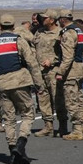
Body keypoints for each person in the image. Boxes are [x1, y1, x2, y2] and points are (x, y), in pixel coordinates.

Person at [0, 14, 43, 164]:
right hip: (20, 81)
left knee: (8, 119)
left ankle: (12, 149)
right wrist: (39, 84)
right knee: (28, 114)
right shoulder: (19, 40)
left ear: (0, 27)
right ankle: (21, 144)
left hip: (1, 84)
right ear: (13, 26)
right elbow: (32, 63)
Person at [56, 10, 83, 141]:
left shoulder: (68, 33)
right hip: (80, 67)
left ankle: (77, 130)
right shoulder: (79, 30)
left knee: (72, 101)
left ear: (63, 19)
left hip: (72, 71)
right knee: (80, 101)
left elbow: (67, 56)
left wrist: (60, 72)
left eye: (59, 19)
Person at [33, 8, 65, 137]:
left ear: (52, 20)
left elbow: (65, 53)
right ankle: (48, 126)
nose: (41, 20)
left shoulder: (60, 33)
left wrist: (52, 61)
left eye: (44, 18)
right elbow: (33, 47)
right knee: (43, 99)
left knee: (58, 99)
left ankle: (63, 126)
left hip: (53, 71)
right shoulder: (39, 32)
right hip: (40, 72)